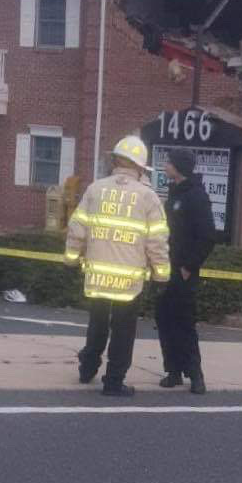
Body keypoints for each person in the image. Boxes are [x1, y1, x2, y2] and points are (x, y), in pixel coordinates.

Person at [65, 135, 171, 396]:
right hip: (128, 281)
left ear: (115, 160)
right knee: (123, 331)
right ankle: (113, 381)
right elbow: (157, 241)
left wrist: (70, 260)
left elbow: (77, 229)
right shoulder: (148, 197)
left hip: (98, 275)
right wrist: (161, 276)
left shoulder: (95, 189)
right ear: (140, 166)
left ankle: (87, 368)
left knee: (97, 323)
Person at [156, 148, 216, 394]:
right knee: (165, 320)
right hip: (166, 270)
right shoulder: (174, 194)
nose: (165, 165)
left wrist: (189, 267)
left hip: (183, 273)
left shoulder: (196, 196)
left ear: (178, 166)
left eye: (169, 162)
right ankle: (173, 371)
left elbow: (207, 236)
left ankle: (195, 375)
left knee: (185, 323)